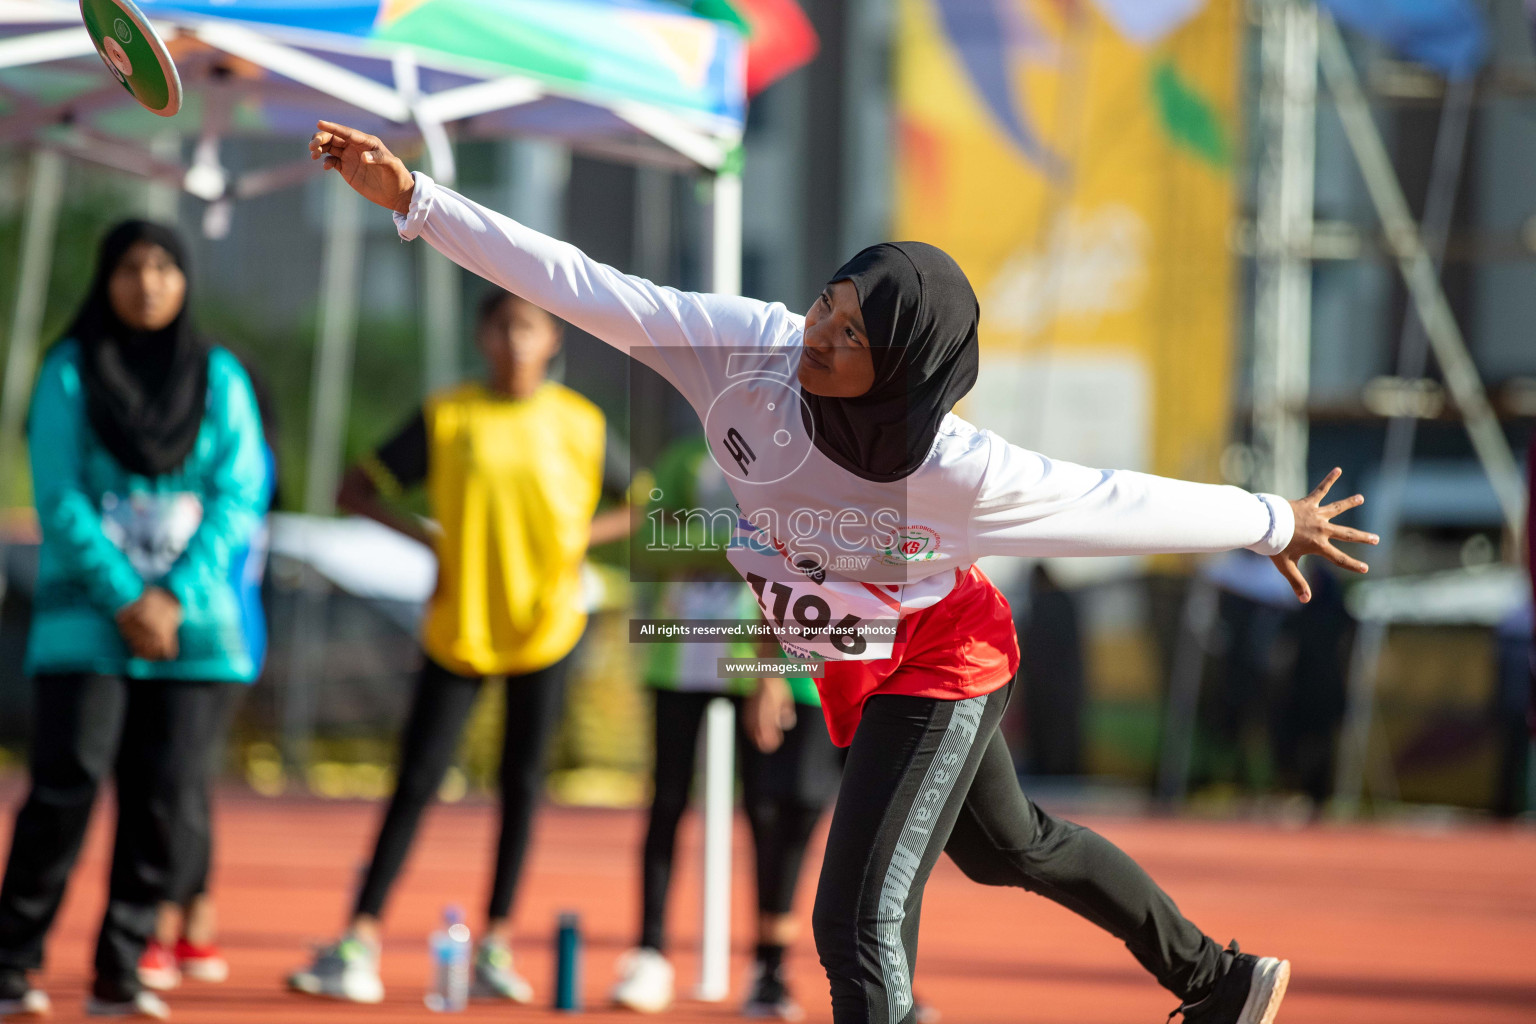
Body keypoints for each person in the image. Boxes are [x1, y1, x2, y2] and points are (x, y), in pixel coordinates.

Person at [307, 121, 1380, 1024]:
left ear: (906, 367)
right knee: (1015, 848)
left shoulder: (956, 469)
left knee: (855, 918)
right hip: (857, 658)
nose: (821, 330)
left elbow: (1111, 500)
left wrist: (1271, 517)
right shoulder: (744, 355)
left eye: (855, 331)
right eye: (830, 301)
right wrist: (416, 200)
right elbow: (588, 286)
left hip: (943, 658)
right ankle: (1221, 979)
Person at [286, 287, 632, 1005]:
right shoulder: (448, 416)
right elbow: (356, 488)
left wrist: (576, 544)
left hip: (547, 626)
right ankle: (359, 938)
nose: (515, 343)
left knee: (521, 784)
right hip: (462, 623)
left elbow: (643, 502)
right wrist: (430, 542)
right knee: (416, 781)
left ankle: (497, 944)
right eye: (503, 328)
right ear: (483, 337)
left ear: (554, 341)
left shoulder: (582, 424)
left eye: (530, 329)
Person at [0, 221, 268, 1020]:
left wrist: (173, 596)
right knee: (65, 789)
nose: (147, 283)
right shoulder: (70, 372)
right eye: (129, 267)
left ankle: (122, 966)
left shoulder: (219, 378)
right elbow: (59, 495)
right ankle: (12, 962)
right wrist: (126, 595)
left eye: (163, 267)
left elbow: (241, 492)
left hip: (192, 634)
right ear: (104, 278)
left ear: (185, 281)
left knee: (167, 800)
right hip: (90, 626)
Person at [612, 434, 840, 1018]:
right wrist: (741, 546)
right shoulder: (682, 457)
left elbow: (801, 552)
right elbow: (647, 541)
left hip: (763, 662)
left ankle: (769, 968)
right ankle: (650, 952)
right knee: (665, 803)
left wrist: (724, 548)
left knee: (770, 813)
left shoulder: (796, 459)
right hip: (680, 654)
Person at [138, 358, 280, 992]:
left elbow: (218, 554)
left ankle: (166, 920)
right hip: (156, 633)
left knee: (178, 778)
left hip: (220, 639)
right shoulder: (173, 458)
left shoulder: (241, 468)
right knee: (174, 778)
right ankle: (194, 916)